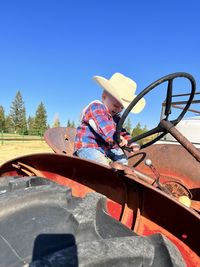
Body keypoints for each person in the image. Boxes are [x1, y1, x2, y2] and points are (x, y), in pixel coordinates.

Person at [74, 72, 146, 166]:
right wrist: (118, 137)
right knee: (102, 165)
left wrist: (130, 142)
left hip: (106, 148)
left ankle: (121, 178)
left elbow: (122, 132)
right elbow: (104, 126)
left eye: (121, 108)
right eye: (116, 105)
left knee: (124, 161)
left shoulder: (115, 117)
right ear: (104, 96)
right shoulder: (96, 108)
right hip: (88, 146)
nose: (118, 109)